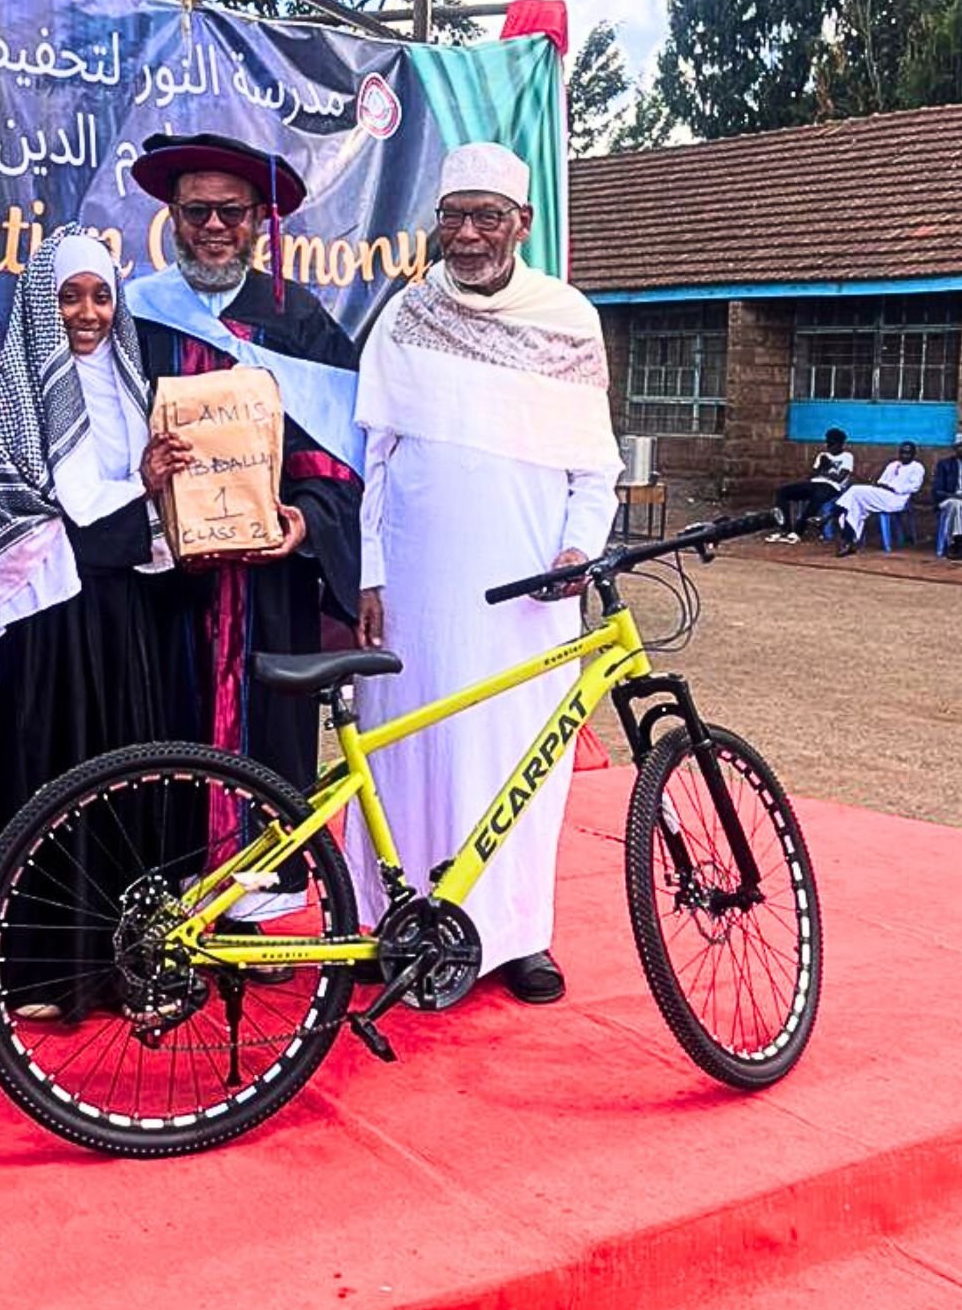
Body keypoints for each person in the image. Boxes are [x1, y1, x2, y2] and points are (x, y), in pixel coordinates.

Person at [349, 142, 622, 1004]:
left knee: (518, 762)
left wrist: (578, 551)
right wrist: (369, 575)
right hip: (417, 590)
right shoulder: (404, 318)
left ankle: (514, 938)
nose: (467, 236)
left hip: (529, 592)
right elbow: (375, 460)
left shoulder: (569, 319)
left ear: (523, 225)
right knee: (412, 750)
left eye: (486, 218)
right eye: (453, 218)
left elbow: (595, 467)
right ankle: (397, 921)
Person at [0, 227, 176, 1016]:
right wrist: (146, 488)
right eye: (68, 297)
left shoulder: (133, 382)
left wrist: (155, 493)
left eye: (99, 296)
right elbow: (56, 509)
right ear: (40, 303)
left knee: (128, 790)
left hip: (124, 620)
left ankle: (133, 966)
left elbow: (130, 510)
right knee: (51, 786)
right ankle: (45, 972)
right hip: (50, 626)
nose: (86, 314)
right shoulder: (12, 386)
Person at [127, 133, 362, 820]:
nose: (214, 229)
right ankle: (168, 876)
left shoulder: (297, 319)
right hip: (164, 573)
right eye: (196, 212)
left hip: (269, 579)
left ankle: (267, 875)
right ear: (171, 216)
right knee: (162, 720)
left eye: (232, 213)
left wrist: (310, 519)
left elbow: (336, 448)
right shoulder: (135, 312)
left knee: (269, 719)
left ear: (260, 219)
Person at [831, 441, 925, 553]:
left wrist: (894, 488)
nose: (904, 456)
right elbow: (881, 480)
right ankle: (848, 542)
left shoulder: (917, 467)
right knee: (855, 505)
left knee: (855, 490)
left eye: (907, 453)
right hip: (881, 494)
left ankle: (831, 515)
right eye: (902, 453)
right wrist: (883, 485)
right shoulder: (893, 465)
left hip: (897, 499)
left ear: (913, 454)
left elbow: (914, 487)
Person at [769, 429, 853, 543]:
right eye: (828, 443)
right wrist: (821, 467)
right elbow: (811, 475)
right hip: (814, 483)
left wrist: (826, 470)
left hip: (832, 487)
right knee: (782, 492)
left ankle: (798, 531)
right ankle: (785, 529)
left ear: (840, 444)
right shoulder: (822, 455)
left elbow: (840, 478)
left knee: (817, 499)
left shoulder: (847, 457)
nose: (829, 446)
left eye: (832, 444)